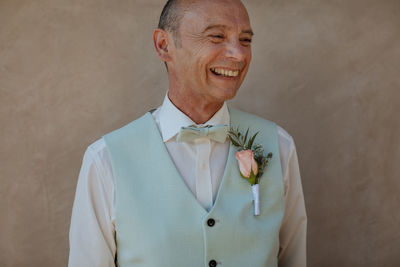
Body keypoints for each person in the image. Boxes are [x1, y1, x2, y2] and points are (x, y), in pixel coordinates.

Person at [68, 0, 307, 266]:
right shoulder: (105, 161)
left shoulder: (279, 146)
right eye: (217, 36)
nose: (239, 55)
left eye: (245, 40)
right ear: (164, 45)